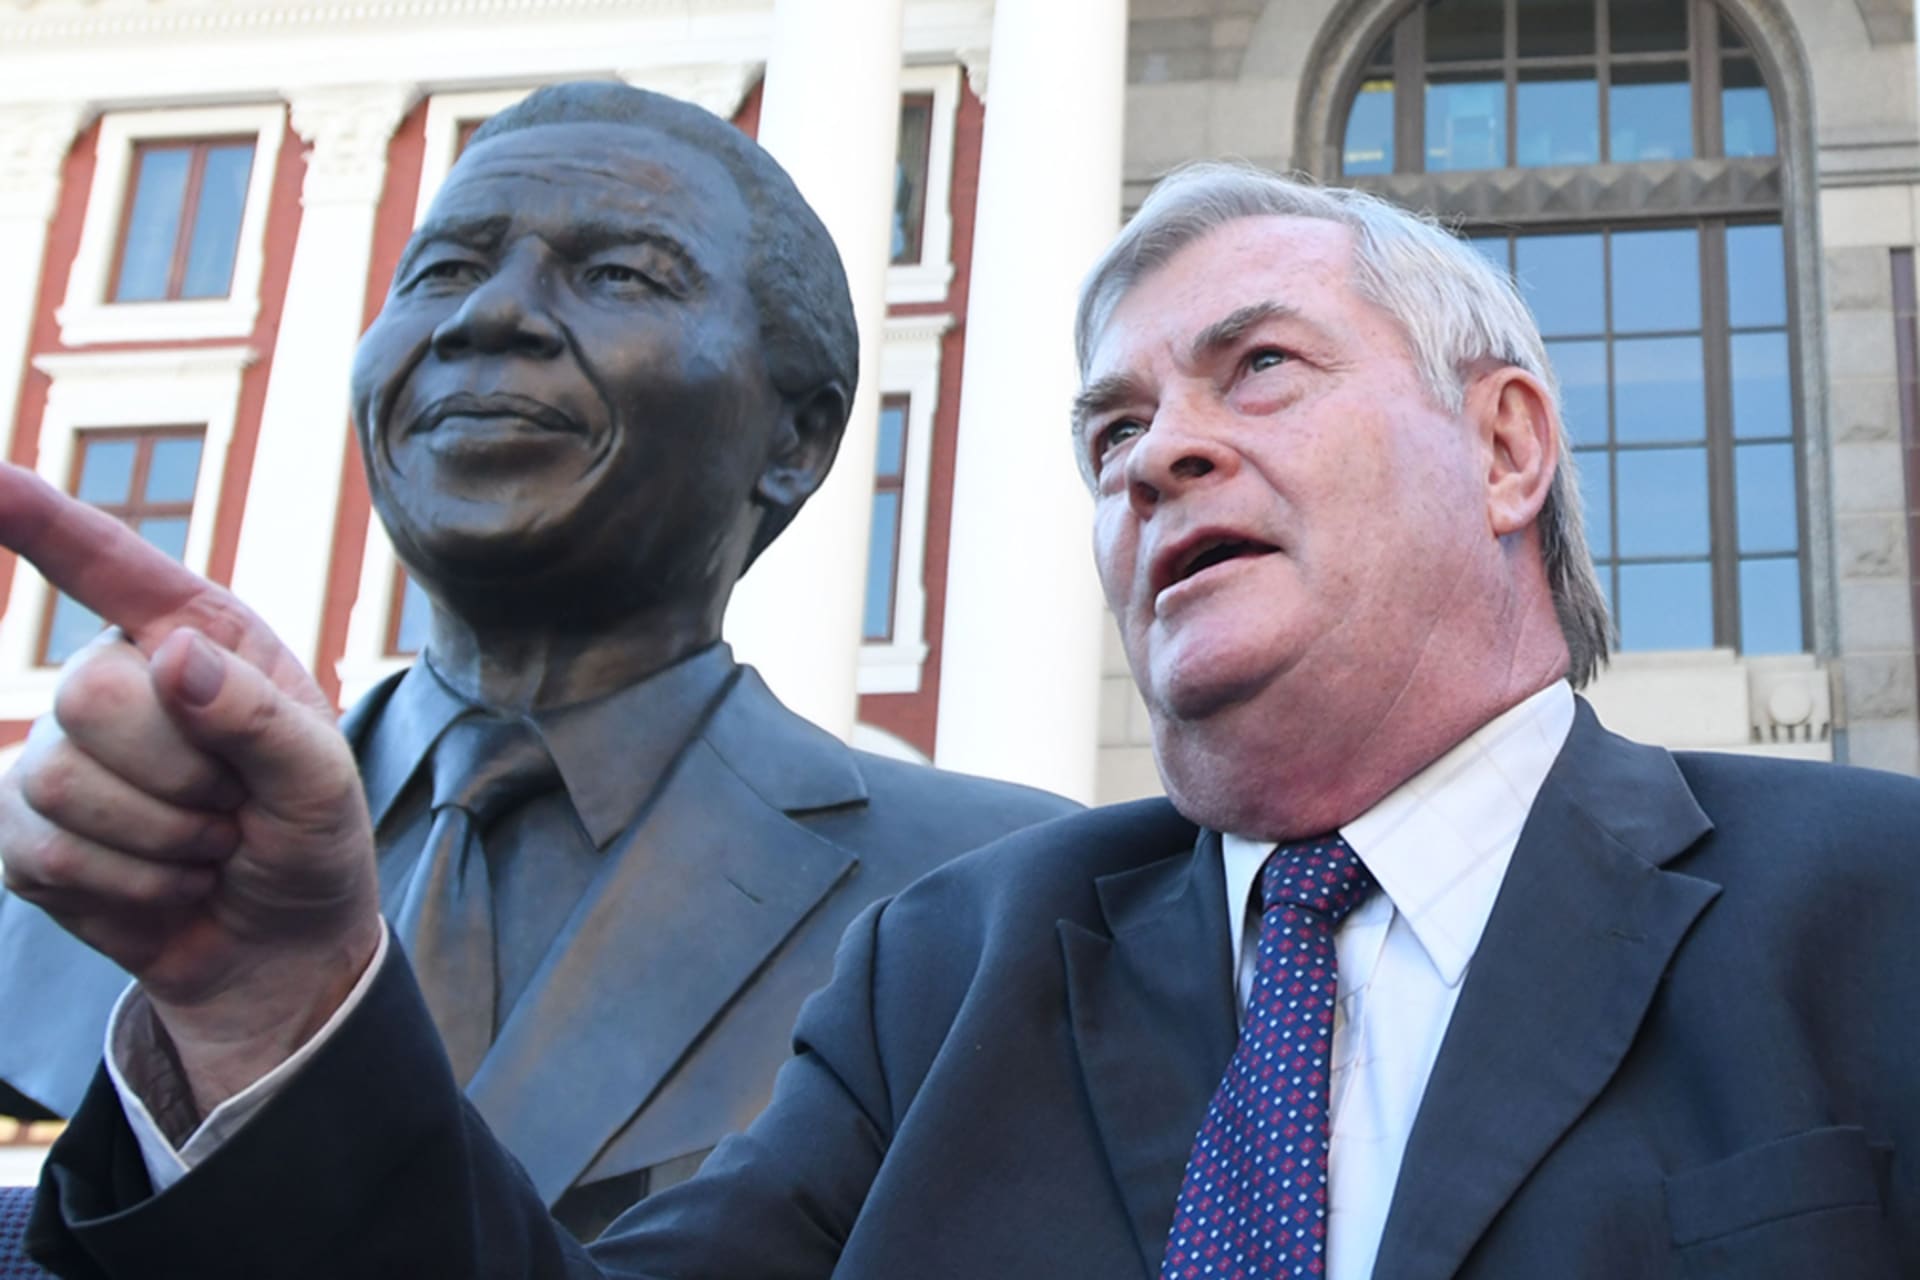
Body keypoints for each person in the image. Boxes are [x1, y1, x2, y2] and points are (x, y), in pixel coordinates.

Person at [8, 161, 1920, 1279]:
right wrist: (274, 1002)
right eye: (1110, 432)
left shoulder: (1872, 906)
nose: (1163, 451)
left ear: (1506, 447)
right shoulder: (947, 977)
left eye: (1257, 369)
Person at [0, 80, 1074, 1242]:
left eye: (617, 275)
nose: (489, 317)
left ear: (795, 436)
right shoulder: (87, 884)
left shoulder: (996, 901)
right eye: (443, 272)